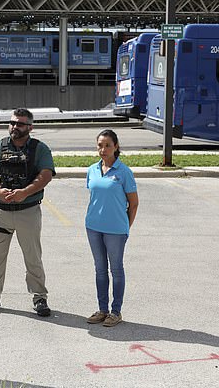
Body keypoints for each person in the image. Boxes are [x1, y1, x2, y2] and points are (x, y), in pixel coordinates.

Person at [0, 108, 55, 317]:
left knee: (32, 257)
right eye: (12, 123)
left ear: (30, 127)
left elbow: (46, 174)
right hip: (0, 210)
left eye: (20, 124)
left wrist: (25, 192)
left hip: (28, 211)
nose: (15, 127)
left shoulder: (39, 149)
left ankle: (39, 298)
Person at [85, 129, 139, 327]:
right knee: (100, 269)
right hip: (93, 227)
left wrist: (125, 226)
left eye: (108, 145)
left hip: (116, 230)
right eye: (100, 145)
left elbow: (133, 204)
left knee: (116, 269)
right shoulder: (92, 170)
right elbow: (94, 197)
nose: (103, 149)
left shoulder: (124, 172)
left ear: (116, 146)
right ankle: (102, 310)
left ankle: (116, 312)